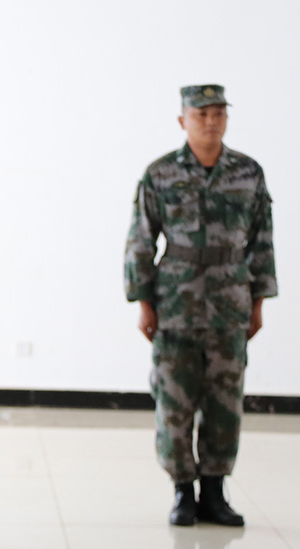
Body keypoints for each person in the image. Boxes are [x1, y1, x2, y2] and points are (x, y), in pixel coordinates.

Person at [124, 84, 277, 527]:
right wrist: (144, 302)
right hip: (176, 304)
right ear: (182, 120)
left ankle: (214, 492)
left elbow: (262, 241)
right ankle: (182, 492)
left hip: (230, 304)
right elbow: (140, 241)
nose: (211, 122)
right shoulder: (160, 174)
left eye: (218, 113)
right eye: (201, 114)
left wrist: (259, 301)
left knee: (225, 403)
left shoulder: (248, 173)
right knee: (174, 403)